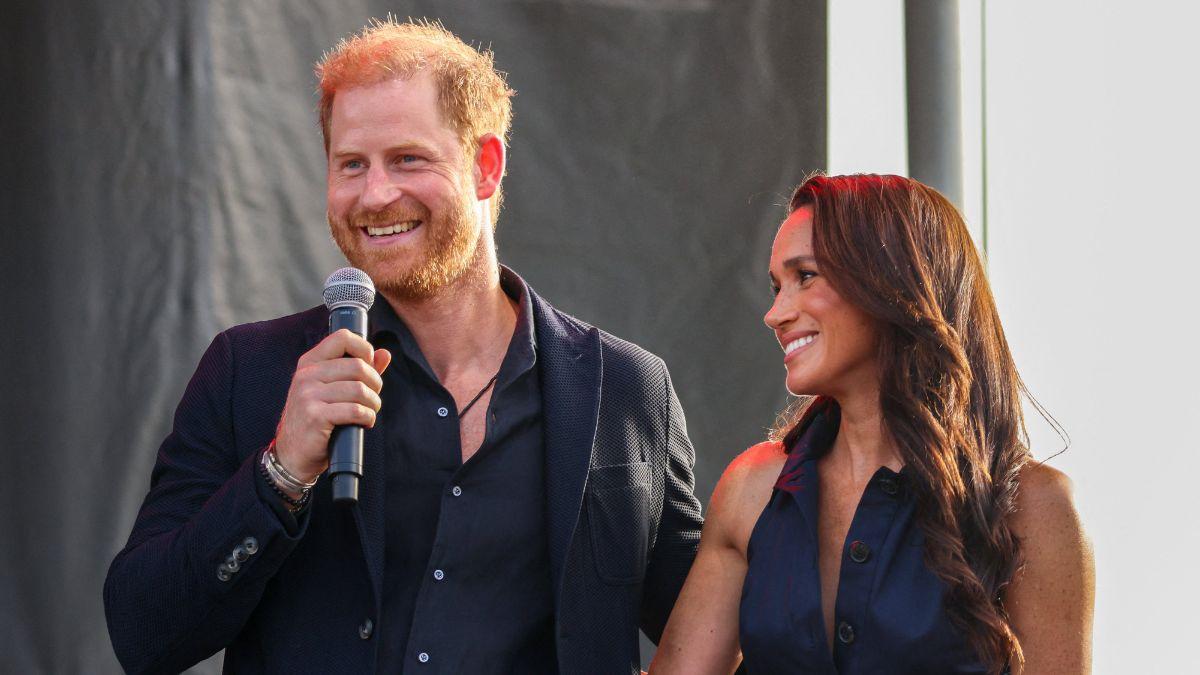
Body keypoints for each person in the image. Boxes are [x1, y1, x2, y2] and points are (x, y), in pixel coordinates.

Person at [104, 19, 703, 674]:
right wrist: (281, 472)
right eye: (351, 164)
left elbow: (711, 619)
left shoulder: (623, 389)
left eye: (408, 159)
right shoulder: (250, 372)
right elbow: (143, 631)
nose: (375, 194)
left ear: (485, 164)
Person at [650, 174, 1094, 674]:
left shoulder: (1032, 506)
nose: (775, 314)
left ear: (893, 278)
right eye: (777, 287)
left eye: (806, 276)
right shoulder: (752, 489)